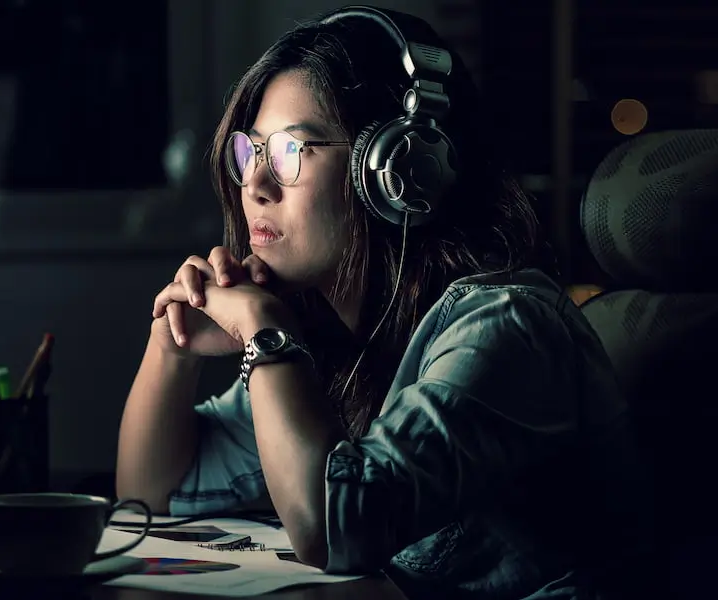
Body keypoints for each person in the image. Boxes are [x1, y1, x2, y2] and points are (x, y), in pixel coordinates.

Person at [116, 6, 654, 599]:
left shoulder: (508, 329)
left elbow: (335, 529)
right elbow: (150, 497)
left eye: (293, 151)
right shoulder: (335, 338)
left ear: (401, 169)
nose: (255, 185)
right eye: (251, 151)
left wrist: (266, 332)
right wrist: (173, 347)